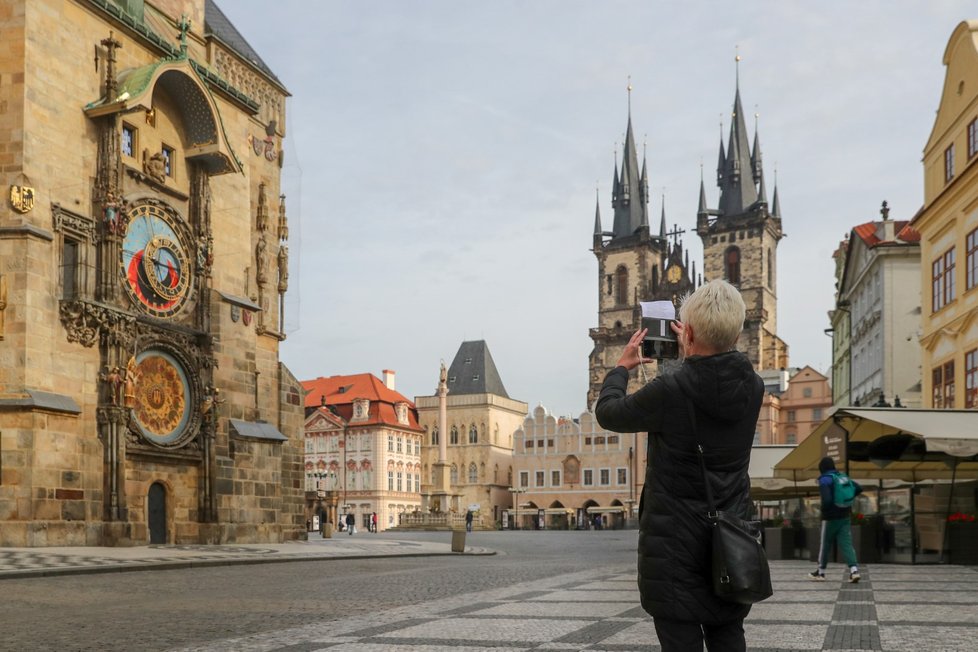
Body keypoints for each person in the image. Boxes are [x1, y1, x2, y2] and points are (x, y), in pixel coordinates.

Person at [595, 279, 763, 652]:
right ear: (737, 332)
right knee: (728, 632)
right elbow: (711, 389)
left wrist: (622, 367)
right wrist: (690, 353)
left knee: (680, 640)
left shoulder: (670, 389)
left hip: (674, 544)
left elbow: (608, 413)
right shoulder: (753, 386)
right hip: (731, 536)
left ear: (686, 332)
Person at [809, 456, 862, 583]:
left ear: (821, 468)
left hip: (830, 518)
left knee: (825, 545)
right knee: (847, 544)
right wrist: (846, 500)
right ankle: (854, 570)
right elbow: (858, 488)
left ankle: (821, 572)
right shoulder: (842, 477)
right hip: (845, 516)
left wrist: (824, 510)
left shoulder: (825, 480)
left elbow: (826, 500)